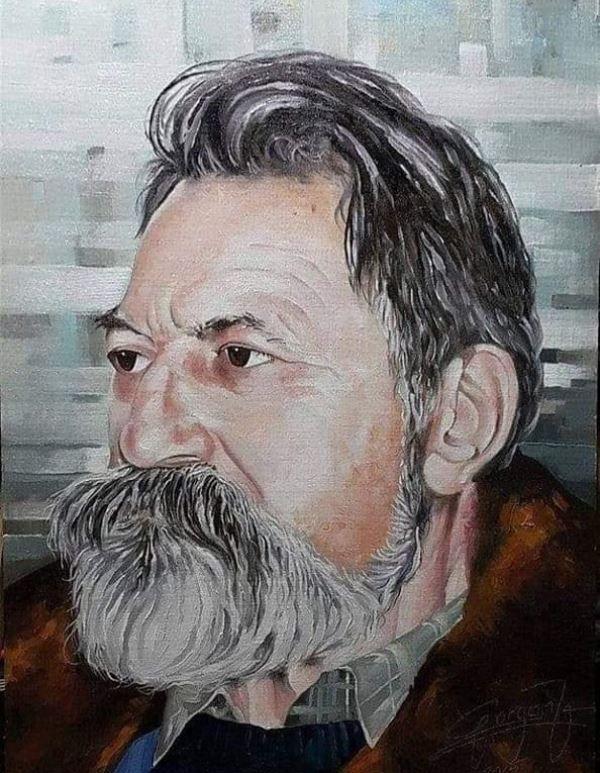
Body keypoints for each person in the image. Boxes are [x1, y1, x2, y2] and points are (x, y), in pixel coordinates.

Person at [5, 52, 594, 773]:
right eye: (130, 357)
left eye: (239, 356)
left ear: (459, 418)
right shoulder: (29, 680)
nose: (143, 438)